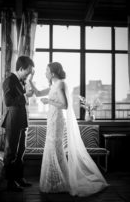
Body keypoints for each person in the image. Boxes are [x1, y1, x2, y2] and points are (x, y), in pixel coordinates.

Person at [29, 62, 108, 196]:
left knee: (55, 148)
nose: (45, 73)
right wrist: (30, 80)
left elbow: (64, 105)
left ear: (52, 73)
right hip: (52, 119)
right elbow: (37, 93)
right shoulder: (53, 85)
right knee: (51, 147)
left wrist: (48, 102)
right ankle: (55, 181)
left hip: (57, 119)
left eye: (46, 70)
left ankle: (61, 181)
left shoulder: (60, 84)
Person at [0, 55, 34, 192]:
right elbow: (8, 102)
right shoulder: (9, 80)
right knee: (11, 152)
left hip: (21, 120)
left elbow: (19, 98)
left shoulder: (21, 80)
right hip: (13, 120)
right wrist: (26, 96)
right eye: (28, 71)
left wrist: (27, 88)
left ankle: (19, 178)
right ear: (21, 68)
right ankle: (10, 182)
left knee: (21, 151)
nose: (29, 74)